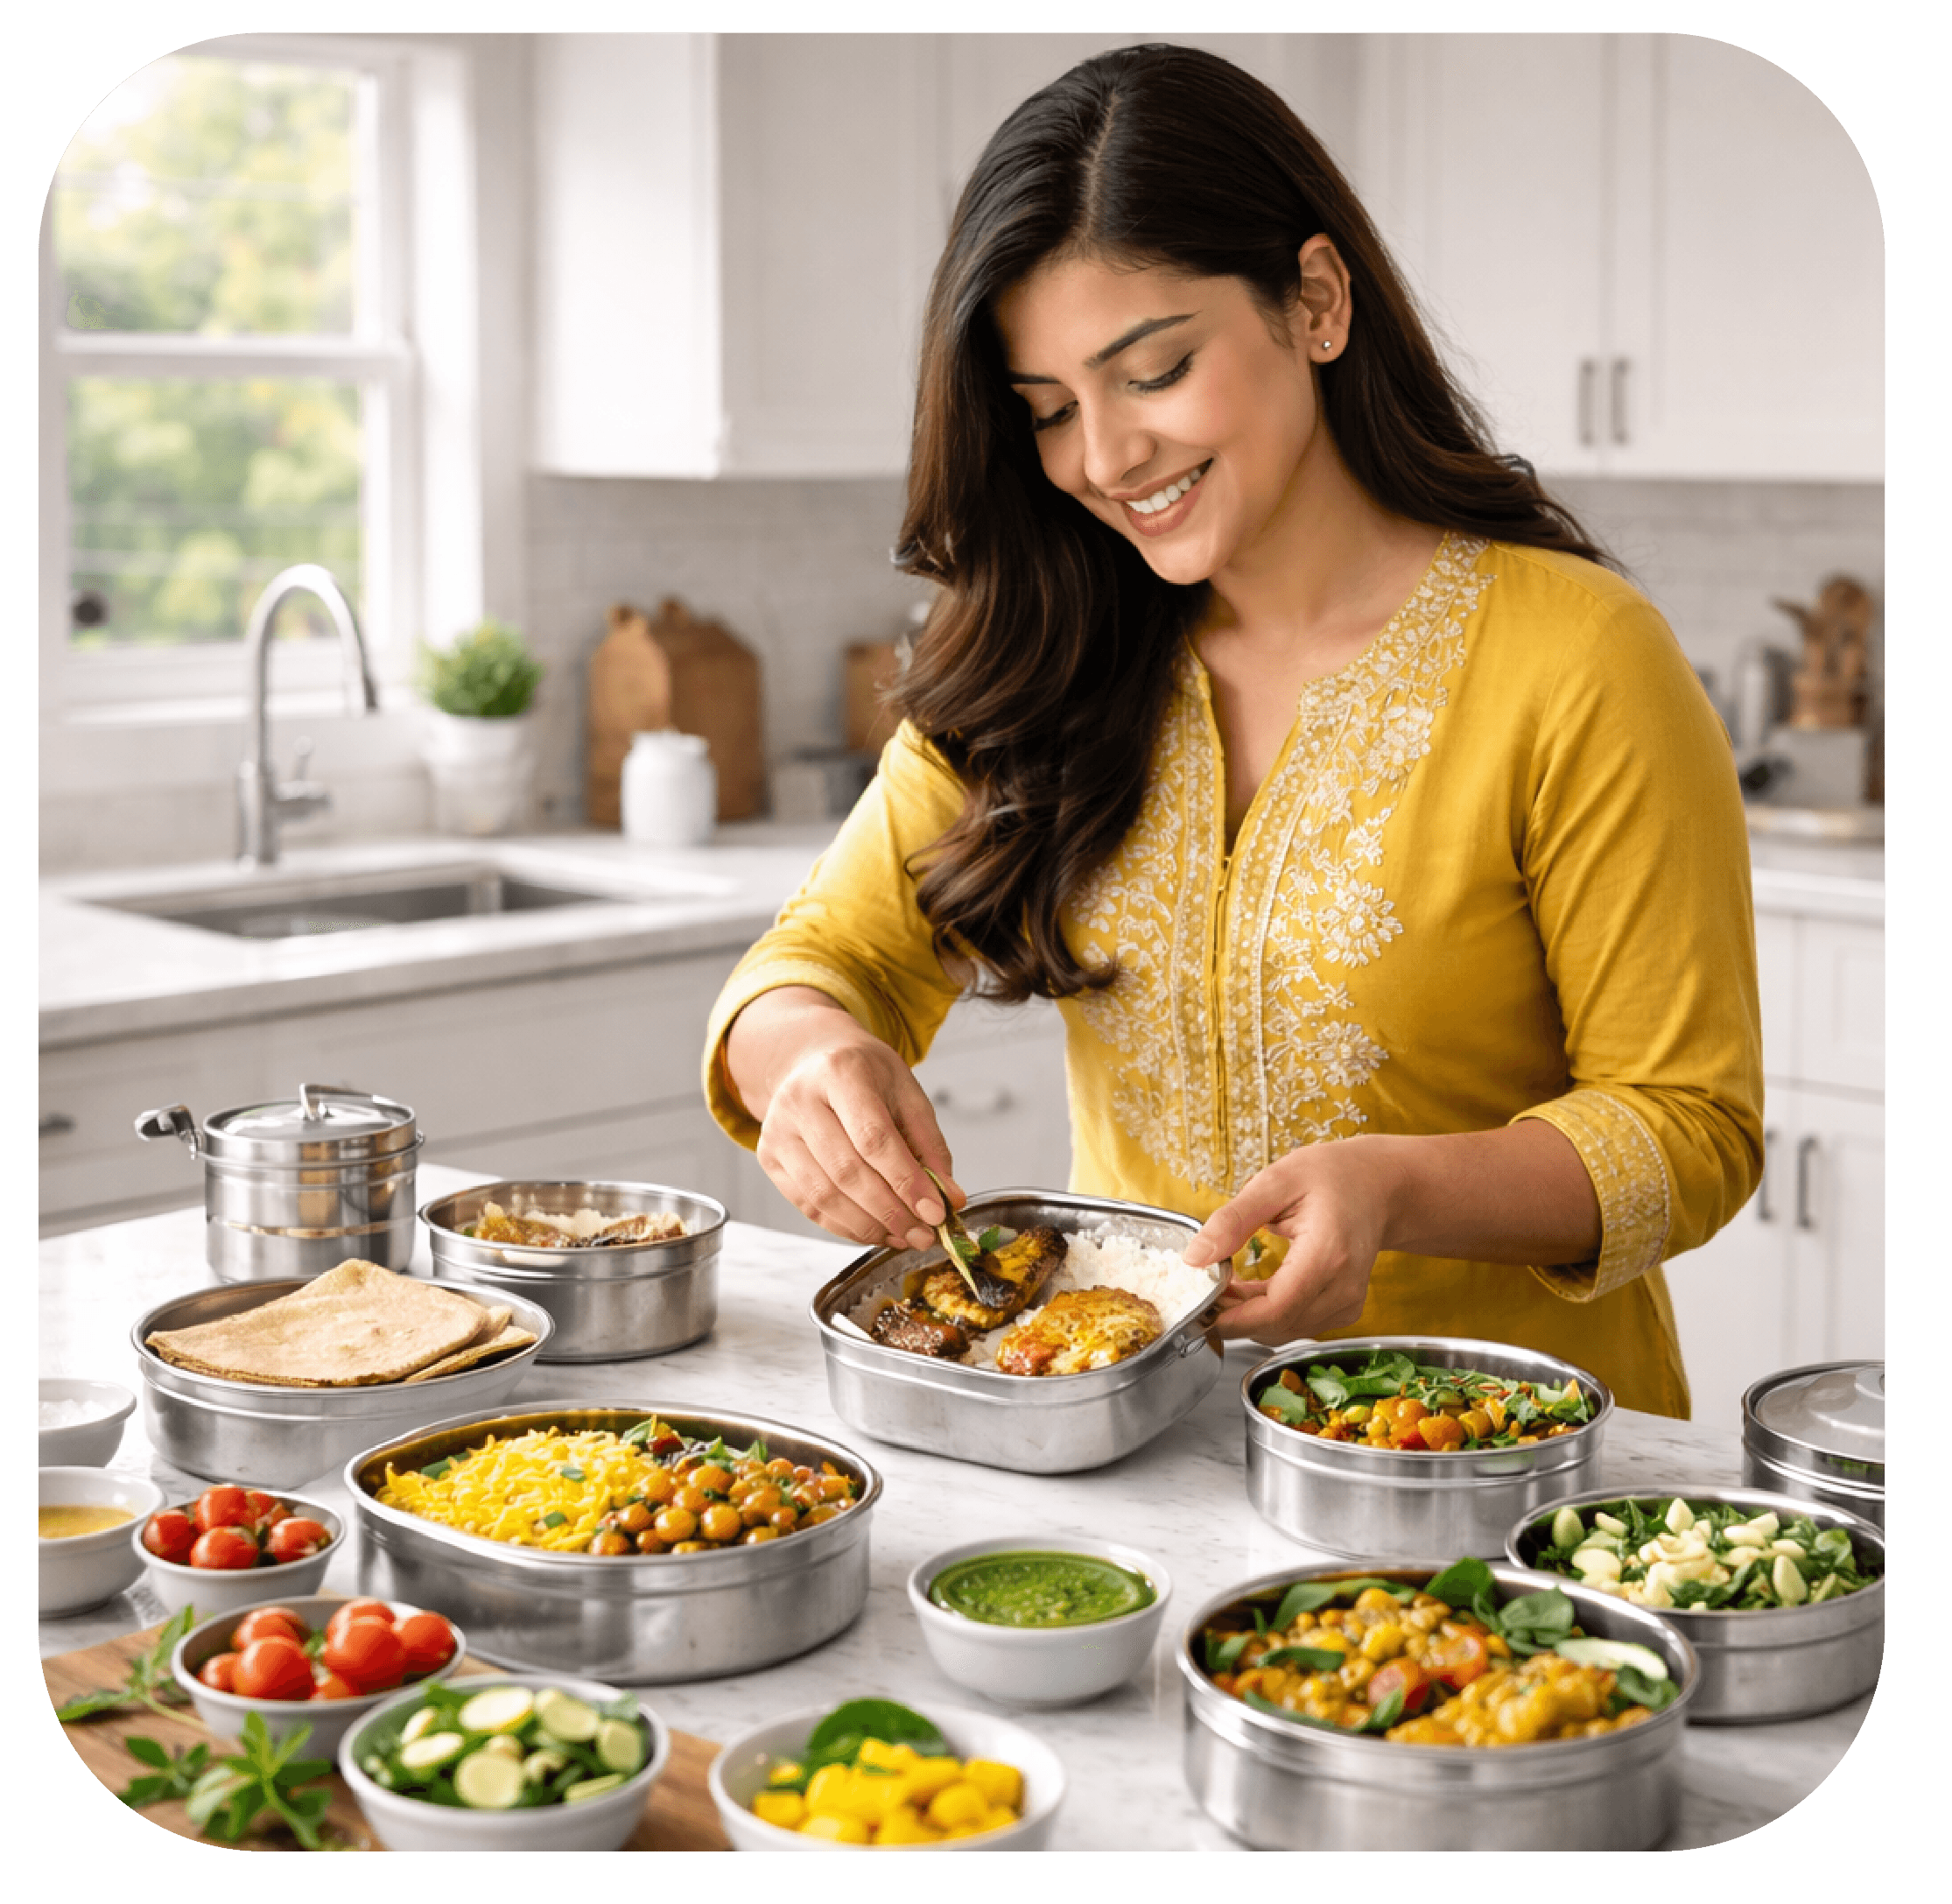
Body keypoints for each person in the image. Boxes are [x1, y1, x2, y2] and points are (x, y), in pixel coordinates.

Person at [699, 44, 1760, 1416]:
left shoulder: (1577, 658)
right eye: (1046, 413)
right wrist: (813, 1055)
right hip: (1135, 1453)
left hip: (1506, 1472)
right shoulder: (1045, 651)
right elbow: (815, 961)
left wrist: (1395, 1188)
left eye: (1153, 371)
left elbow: (1690, 1125)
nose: (1103, 457)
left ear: (1313, 302)